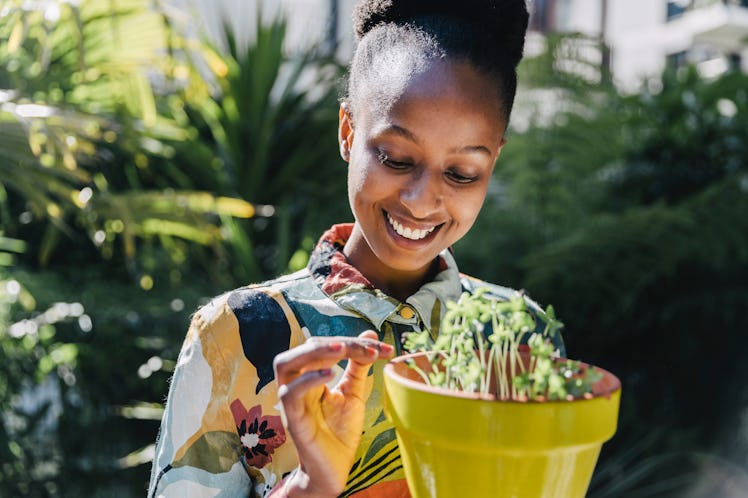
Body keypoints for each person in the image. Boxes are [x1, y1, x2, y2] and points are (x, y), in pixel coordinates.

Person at [148, 1, 565, 496]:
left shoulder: (521, 338)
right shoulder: (237, 335)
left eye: (461, 172)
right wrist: (309, 485)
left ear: (493, 161)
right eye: (395, 158)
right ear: (348, 131)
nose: (422, 200)